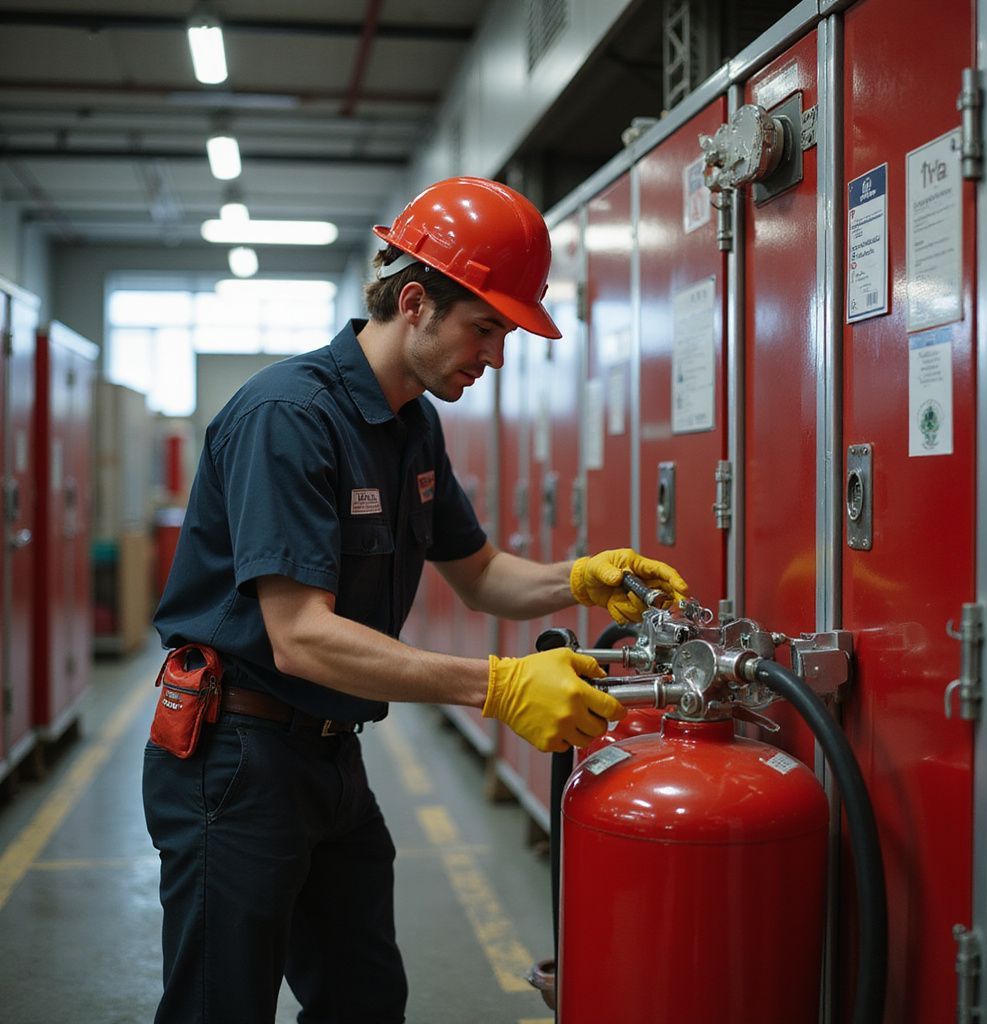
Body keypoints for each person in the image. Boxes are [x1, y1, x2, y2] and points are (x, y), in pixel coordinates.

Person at [143, 176, 688, 1024]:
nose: (497, 356)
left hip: (330, 755)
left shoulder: (411, 423)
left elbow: (478, 572)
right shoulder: (291, 418)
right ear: (413, 302)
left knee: (365, 998)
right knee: (222, 1005)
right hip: (238, 756)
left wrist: (580, 578)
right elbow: (300, 639)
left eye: (505, 333)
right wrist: (498, 687)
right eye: (485, 328)